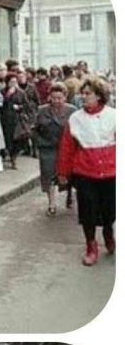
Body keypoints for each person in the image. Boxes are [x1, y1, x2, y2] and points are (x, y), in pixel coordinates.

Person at [56, 76, 116, 266]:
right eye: (82, 93)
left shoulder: (114, 115)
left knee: (110, 209)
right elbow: (67, 148)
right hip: (85, 172)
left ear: (99, 96)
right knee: (88, 211)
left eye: (88, 94)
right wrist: (63, 173)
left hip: (110, 172)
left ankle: (108, 232)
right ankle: (91, 245)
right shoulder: (76, 118)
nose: (83, 97)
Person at [34, 83, 76, 217]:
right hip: (48, 148)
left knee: (69, 175)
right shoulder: (42, 110)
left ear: (65, 97)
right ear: (49, 97)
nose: (57, 101)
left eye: (60, 98)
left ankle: (69, 194)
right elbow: (34, 128)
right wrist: (39, 142)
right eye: (54, 97)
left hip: (67, 148)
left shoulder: (72, 110)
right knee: (49, 175)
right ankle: (51, 204)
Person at [0, 73, 29, 170]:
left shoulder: (21, 92)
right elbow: (0, 105)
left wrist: (19, 107)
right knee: (8, 139)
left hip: (17, 119)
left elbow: (26, 105)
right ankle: (9, 156)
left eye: (15, 82)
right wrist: (8, 96)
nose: (13, 84)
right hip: (6, 119)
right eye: (11, 82)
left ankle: (14, 157)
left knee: (18, 140)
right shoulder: (3, 92)